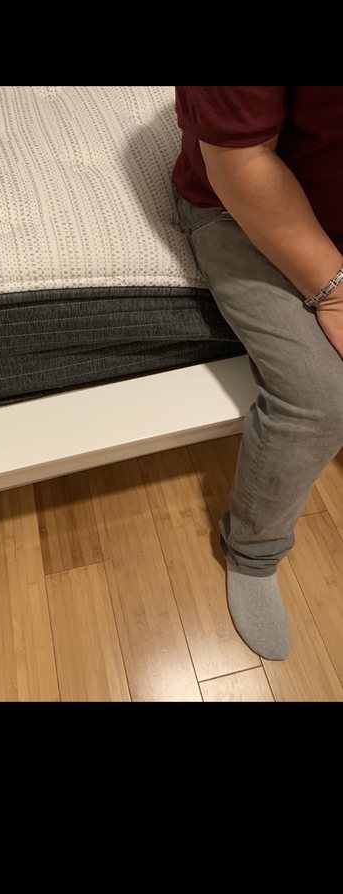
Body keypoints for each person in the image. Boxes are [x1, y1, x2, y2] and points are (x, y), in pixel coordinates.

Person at [173, 86, 343, 660]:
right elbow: (240, 161)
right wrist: (335, 294)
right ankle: (252, 553)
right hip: (241, 205)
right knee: (323, 399)